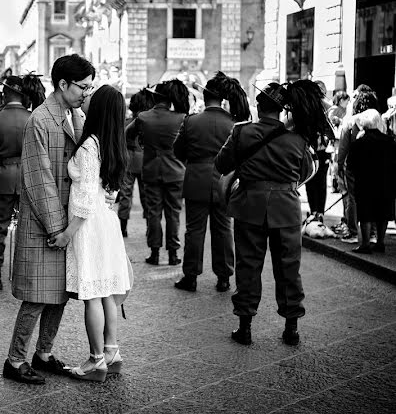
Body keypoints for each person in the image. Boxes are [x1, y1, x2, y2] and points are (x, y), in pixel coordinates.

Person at [216, 80, 328, 347]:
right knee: (289, 268)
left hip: (249, 206)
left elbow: (221, 163)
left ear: (258, 106)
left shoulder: (241, 132)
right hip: (286, 208)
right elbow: (304, 174)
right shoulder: (298, 139)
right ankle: (291, 328)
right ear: (282, 110)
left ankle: (245, 327)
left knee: (248, 266)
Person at [4, 54, 93, 386]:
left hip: (63, 225)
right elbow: (39, 180)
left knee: (59, 294)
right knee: (37, 297)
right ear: (63, 84)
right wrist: (60, 229)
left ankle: (43, 354)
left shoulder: (72, 114)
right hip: (46, 224)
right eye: (82, 86)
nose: (87, 91)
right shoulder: (40, 120)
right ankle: (14, 360)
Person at [51, 85, 131, 382]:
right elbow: (108, 188)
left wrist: (67, 233)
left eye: (90, 98)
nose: (85, 98)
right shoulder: (113, 142)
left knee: (93, 296)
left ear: (97, 110)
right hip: (106, 222)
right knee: (106, 292)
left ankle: (96, 360)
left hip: (89, 225)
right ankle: (111, 351)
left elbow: (83, 197)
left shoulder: (88, 147)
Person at [173, 72, 249, 293]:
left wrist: (194, 162)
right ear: (222, 99)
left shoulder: (191, 121)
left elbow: (178, 150)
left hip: (196, 178)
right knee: (223, 230)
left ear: (205, 98)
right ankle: (224, 277)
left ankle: (191, 276)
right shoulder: (233, 123)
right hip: (223, 181)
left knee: (194, 231)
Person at [0, 74, 43, 291]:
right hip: (28, 176)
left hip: (2, 176)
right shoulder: (33, 117)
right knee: (28, 226)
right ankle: (26, 273)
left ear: (5, 93)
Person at [127, 80, 189, 266]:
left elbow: (127, 136)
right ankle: (173, 254)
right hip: (176, 172)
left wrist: (142, 143)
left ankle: (154, 252)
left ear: (155, 97)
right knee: (173, 214)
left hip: (152, 171)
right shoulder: (181, 117)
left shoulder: (144, 117)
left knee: (153, 212)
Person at [346, 109, 396, 254]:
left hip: (365, 183)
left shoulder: (359, 144)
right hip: (386, 183)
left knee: (366, 213)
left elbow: (350, 166)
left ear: (363, 124)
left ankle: (366, 244)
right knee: (383, 212)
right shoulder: (390, 142)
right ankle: (380, 242)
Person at [336, 87, 379, 244]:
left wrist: (339, 165)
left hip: (354, 164)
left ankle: (353, 233)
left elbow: (343, 147)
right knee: (372, 197)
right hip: (374, 165)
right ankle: (373, 235)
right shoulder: (378, 119)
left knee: (353, 198)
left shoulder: (351, 121)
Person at [117, 89, 153, 236]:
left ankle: (123, 227)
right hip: (145, 162)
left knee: (125, 195)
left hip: (128, 161)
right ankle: (150, 227)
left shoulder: (126, 123)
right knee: (147, 197)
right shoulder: (149, 122)